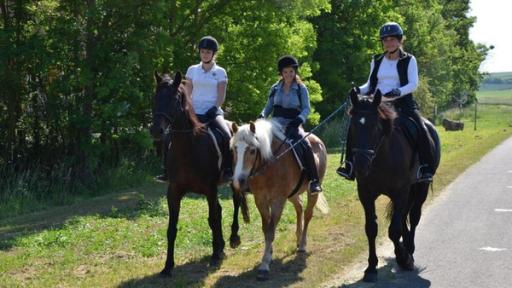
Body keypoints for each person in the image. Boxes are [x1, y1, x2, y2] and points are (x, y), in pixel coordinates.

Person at [336, 22, 435, 182]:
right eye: (385, 40)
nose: (389, 43)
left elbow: (413, 83)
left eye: (392, 39)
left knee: (421, 128)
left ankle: (425, 167)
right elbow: (370, 84)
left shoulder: (409, 60)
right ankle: (349, 166)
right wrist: (358, 90)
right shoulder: (376, 60)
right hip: (377, 104)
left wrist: (398, 91)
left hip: (402, 104)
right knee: (354, 126)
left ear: (399, 40)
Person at [259, 55, 322, 194]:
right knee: (258, 141)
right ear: (281, 73)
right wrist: (262, 115)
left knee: (304, 144)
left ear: (295, 72)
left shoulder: (301, 88)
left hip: (293, 123)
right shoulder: (275, 88)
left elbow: (306, 108)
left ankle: (314, 180)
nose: (288, 75)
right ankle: (254, 177)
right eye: (285, 72)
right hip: (275, 123)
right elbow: (268, 106)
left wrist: (299, 119)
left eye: (291, 71)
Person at [185, 36, 233, 181]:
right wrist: (190, 110)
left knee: (226, 136)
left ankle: (228, 169)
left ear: (213, 54)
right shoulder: (192, 70)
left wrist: (213, 110)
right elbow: (187, 93)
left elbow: (221, 96)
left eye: (208, 52)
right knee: (172, 133)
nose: (205, 54)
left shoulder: (220, 72)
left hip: (213, 112)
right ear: (199, 52)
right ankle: (168, 169)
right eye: (203, 51)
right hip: (194, 112)